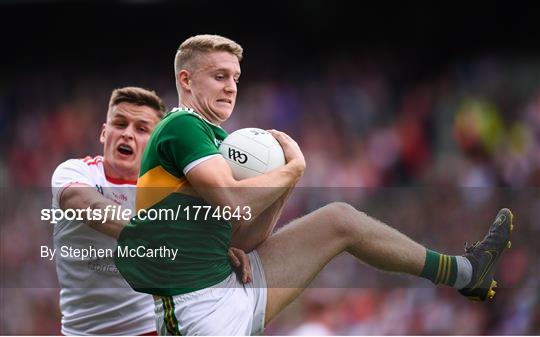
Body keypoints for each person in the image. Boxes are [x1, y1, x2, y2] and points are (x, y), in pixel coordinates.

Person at [114, 35, 515, 335]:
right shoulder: (180, 126)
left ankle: (466, 273)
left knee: (339, 220)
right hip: (196, 312)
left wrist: (286, 182)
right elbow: (234, 197)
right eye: (219, 76)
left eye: (235, 77)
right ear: (185, 80)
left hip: (230, 286)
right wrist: (293, 169)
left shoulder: (220, 141)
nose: (231, 87)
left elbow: (249, 235)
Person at [51, 86, 252, 335]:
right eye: (120, 124)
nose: (127, 134)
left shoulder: (169, 190)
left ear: (156, 143)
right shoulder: (74, 172)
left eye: (141, 129)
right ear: (104, 133)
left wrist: (217, 249)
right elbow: (92, 208)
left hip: (153, 328)